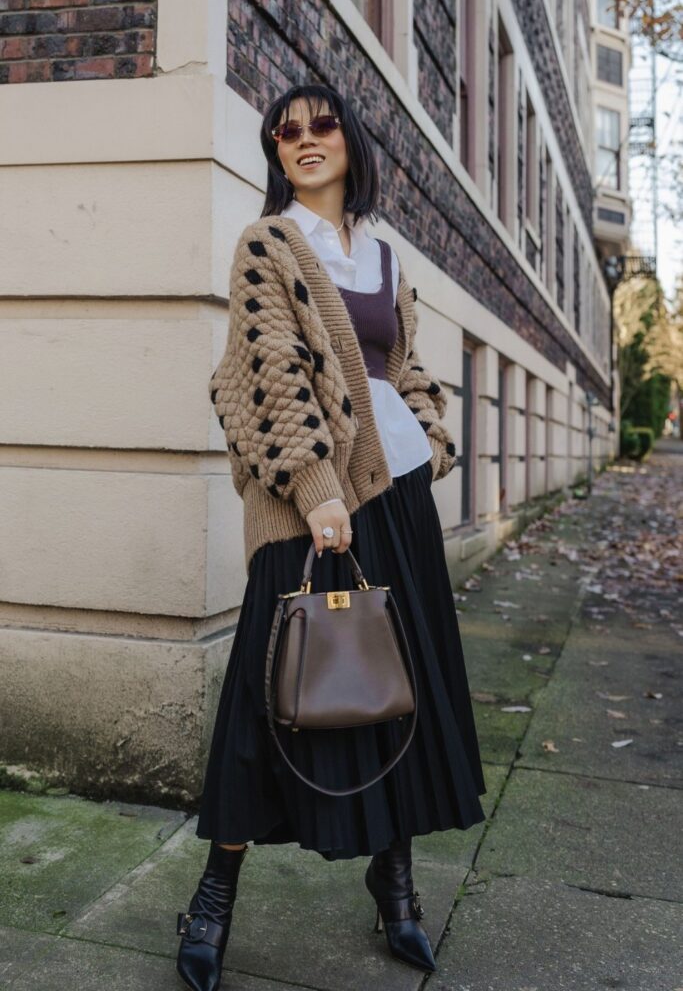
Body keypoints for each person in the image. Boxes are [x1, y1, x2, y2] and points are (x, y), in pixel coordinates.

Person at [175, 82, 486, 991]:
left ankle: (395, 886)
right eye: (286, 131)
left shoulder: (384, 257)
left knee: (398, 690)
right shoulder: (268, 244)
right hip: (310, 501)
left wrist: (430, 443)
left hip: (398, 499)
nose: (304, 139)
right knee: (266, 695)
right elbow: (267, 372)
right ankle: (212, 900)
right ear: (276, 151)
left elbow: (405, 369)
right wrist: (316, 491)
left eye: (322, 125)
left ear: (351, 140)